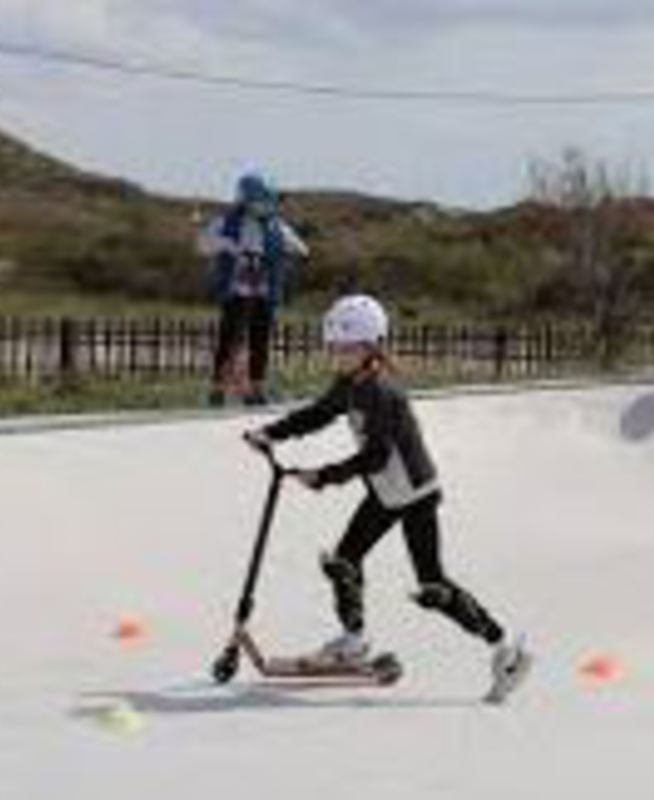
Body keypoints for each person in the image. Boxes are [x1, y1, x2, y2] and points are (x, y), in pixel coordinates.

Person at [244, 294, 532, 701]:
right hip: (385, 493)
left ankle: (506, 650)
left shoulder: (380, 391)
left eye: (345, 348)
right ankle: (353, 640)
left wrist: (324, 476)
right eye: (333, 347)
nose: (336, 355)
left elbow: (376, 456)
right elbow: (319, 413)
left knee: (433, 586)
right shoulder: (351, 383)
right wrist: (271, 433)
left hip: (415, 496)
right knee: (344, 561)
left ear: (370, 347)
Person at [198, 171, 309, 406]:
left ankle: (256, 388)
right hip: (237, 290)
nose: (270, 205)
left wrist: (285, 252)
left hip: (264, 291)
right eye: (264, 200)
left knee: (261, 339)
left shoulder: (276, 226)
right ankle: (218, 387)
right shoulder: (226, 222)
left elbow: (302, 249)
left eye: (271, 201)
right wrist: (227, 245)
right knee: (229, 338)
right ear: (247, 200)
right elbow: (204, 244)